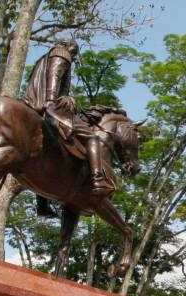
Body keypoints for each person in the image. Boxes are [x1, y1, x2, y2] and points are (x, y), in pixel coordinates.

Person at [23, 38, 116, 217]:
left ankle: (42, 203)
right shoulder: (61, 54)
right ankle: (98, 178)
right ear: (70, 48)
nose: (73, 57)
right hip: (48, 106)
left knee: (42, 157)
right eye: (74, 53)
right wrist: (51, 102)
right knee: (93, 138)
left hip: (35, 102)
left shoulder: (43, 58)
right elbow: (55, 76)